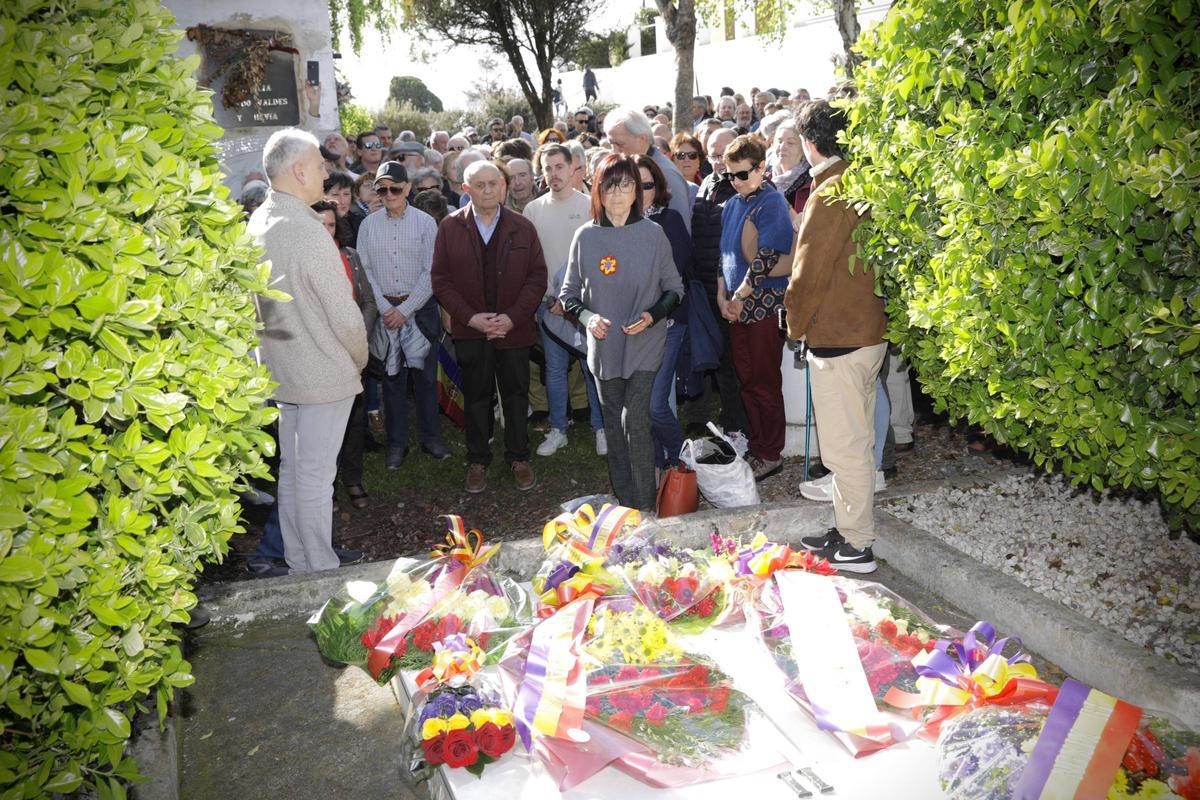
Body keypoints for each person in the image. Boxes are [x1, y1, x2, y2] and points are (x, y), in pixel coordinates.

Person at [249, 128, 368, 573]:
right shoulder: (307, 229)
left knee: (294, 474)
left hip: (283, 370)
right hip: (322, 370)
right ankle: (319, 569)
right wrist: (359, 359)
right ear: (299, 170)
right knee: (316, 478)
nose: (326, 170)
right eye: (320, 164)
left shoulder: (258, 220)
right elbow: (344, 313)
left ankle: (300, 560)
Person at [786, 100, 887, 574]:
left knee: (844, 449)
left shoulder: (829, 192)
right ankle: (847, 528)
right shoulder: (867, 181)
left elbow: (808, 272)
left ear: (810, 143)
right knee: (857, 442)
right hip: (869, 330)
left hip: (839, 336)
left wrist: (794, 324)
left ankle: (859, 543)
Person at [560, 154, 683, 511]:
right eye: (610, 186)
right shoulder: (585, 237)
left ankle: (645, 506)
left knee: (637, 421)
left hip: (645, 342)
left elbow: (675, 288)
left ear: (637, 191)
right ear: (598, 190)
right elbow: (568, 296)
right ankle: (626, 503)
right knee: (614, 426)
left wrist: (653, 314)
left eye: (626, 185)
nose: (618, 195)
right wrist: (588, 319)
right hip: (604, 346)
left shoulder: (653, 234)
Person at [431, 161, 547, 493]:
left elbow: (537, 276)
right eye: (478, 185)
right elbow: (441, 279)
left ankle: (518, 456)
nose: (486, 191)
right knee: (478, 397)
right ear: (465, 189)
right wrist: (471, 318)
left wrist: (512, 317)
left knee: (515, 395)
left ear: (503, 186)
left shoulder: (522, 227)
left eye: (492, 183)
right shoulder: (450, 228)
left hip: (515, 329)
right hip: (471, 331)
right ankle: (478, 460)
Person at [355, 161, 450, 469]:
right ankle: (397, 444)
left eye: (395, 188)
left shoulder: (425, 223)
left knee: (424, 378)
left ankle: (431, 439)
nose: (389, 194)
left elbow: (431, 271)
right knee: (392, 381)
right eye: (382, 189)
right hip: (386, 312)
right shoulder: (368, 225)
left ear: (408, 188)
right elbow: (365, 271)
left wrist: (405, 310)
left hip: (419, 310)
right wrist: (387, 309)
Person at [523, 144, 606, 458]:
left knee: (590, 368)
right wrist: (548, 299)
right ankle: (558, 429)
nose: (553, 174)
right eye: (547, 168)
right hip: (549, 306)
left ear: (574, 169)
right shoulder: (533, 210)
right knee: (555, 370)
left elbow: (596, 258)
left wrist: (575, 300)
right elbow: (533, 262)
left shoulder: (590, 206)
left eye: (559, 166)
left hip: (585, 306)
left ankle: (600, 428)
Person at [718, 134, 792, 482]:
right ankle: (758, 444)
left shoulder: (772, 202)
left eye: (742, 174)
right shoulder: (732, 205)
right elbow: (724, 257)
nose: (735, 182)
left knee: (764, 381)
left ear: (761, 167)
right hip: (736, 307)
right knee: (746, 381)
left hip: (763, 306)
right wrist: (723, 296)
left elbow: (768, 255)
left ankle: (771, 452)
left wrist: (741, 294)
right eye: (729, 175)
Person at [311, 200, 379, 510]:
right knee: (323, 430)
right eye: (319, 225)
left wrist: (357, 335)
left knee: (353, 422)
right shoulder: (304, 261)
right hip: (318, 356)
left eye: (330, 225)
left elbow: (368, 302)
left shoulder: (350, 257)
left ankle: (353, 478)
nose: (326, 231)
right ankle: (327, 489)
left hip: (352, 353)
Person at [633, 154, 691, 473]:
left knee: (656, 405)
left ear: (659, 186)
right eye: (634, 184)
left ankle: (682, 459)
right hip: (633, 328)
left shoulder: (670, 222)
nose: (641, 191)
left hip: (668, 323)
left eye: (648, 184)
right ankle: (662, 465)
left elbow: (677, 279)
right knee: (643, 406)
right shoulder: (616, 226)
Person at [604, 107, 691, 233]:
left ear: (642, 139)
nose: (615, 151)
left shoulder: (667, 174)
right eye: (611, 144)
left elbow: (680, 230)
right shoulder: (627, 169)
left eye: (620, 144)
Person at [768, 120, 812, 225]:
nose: (782, 147)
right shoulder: (765, 179)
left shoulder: (811, 183)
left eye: (790, 143)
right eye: (779, 141)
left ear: (803, 148)